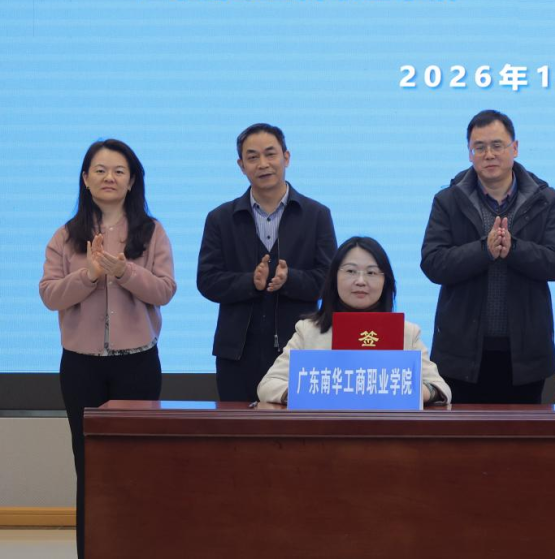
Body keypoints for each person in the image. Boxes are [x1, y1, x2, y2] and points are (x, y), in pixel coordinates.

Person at [39, 139, 176, 559]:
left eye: (119, 171)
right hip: (81, 367)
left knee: (136, 465)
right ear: (85, 179)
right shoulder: (66, 236)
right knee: (89, 465)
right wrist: (90, 274)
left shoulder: (152, 232)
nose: (109, 178)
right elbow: (49, 295)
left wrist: (124, 271)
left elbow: (164, 290)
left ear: (132, 180)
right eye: (99, 170)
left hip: (137, 364)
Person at [421, 110, 555, 404]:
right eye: (479, 147)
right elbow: (432, 262)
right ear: (469, 153)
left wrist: (514, 249)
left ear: (514, 148)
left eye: (497, 145)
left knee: (522, 433)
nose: (489, 154)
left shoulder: (545, 199)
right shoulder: (448, 200)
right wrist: (484, 251)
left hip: (525, 354)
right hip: (461, 354)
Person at [198, 123, 337, 402]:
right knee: (237, 427)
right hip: (236, 354)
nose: (263, 164)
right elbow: (207, 280)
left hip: (298, 350)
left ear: (286, 157)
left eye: (270, 154)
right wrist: (250, 282)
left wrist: (290, 279)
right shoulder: (220, 218)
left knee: (298, 427)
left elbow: (329, 280)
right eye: (252, 157)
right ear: (241, 165)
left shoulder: (316, 215)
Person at [258, 237, 451, 405]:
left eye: (371, 273)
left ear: (386, 282)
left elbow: (440, 388)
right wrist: (312, 393)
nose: (360, 281)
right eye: (351, 271)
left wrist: (410, 391)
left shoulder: (406, 332)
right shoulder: (308, 331)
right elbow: (268, 385)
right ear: (334, 277)